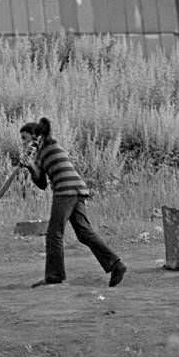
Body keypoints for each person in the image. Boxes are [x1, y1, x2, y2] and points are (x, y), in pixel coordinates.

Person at [19, 116, 127, 289]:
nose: (23, 144)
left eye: (25, 139)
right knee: (84, 233)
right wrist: (30, 166)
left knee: (54, 234)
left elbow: (41, 172)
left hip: (66, 190)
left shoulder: (47, 145)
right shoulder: (41, 152)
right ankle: (116, 265)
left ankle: (55, 276)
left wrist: (31, 159)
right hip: (76, 189)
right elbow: (42, 184)